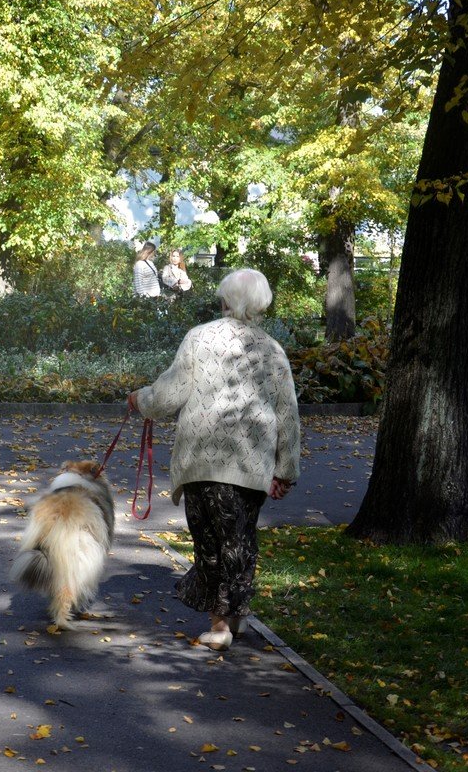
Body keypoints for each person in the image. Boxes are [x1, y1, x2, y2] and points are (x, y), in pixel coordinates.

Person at [127, 268, 301, 651]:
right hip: (251, 464)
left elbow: (170, 393)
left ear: (225, 299)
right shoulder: (273, 350)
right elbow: (288, 413)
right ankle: (233, 617)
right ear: (261, 304)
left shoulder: (199, 338)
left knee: (210, 542)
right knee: (239, 540)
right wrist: (286, 470)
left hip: (201, 459)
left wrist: (141, 400)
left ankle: (220, 626)